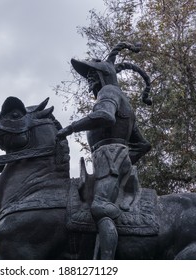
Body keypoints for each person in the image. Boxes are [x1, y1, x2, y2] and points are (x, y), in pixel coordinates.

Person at [57, 43, 152, 259]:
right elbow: (143, 144)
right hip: (112, 159)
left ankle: (106, 266)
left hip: (109, 158)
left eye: (92, 74)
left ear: (103, 76)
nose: (89, 80)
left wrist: (70, 128)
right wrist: (125, 163)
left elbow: (105, 116)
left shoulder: (109, 92)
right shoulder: (123, 101)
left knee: (101, 209)